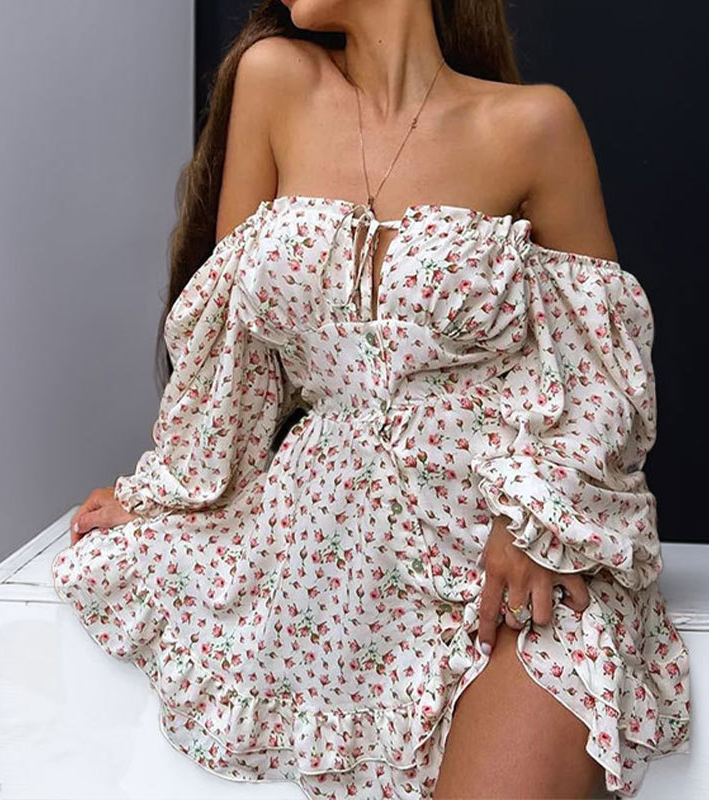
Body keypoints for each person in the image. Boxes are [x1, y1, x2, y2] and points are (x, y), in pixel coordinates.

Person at [51, 1, 691, 798]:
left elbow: (606, 372)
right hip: (326, 560)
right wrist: (176, 487)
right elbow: (230, 354)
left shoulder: (534, 126)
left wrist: (537, 517)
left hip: (504, 555)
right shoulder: (275, 82)